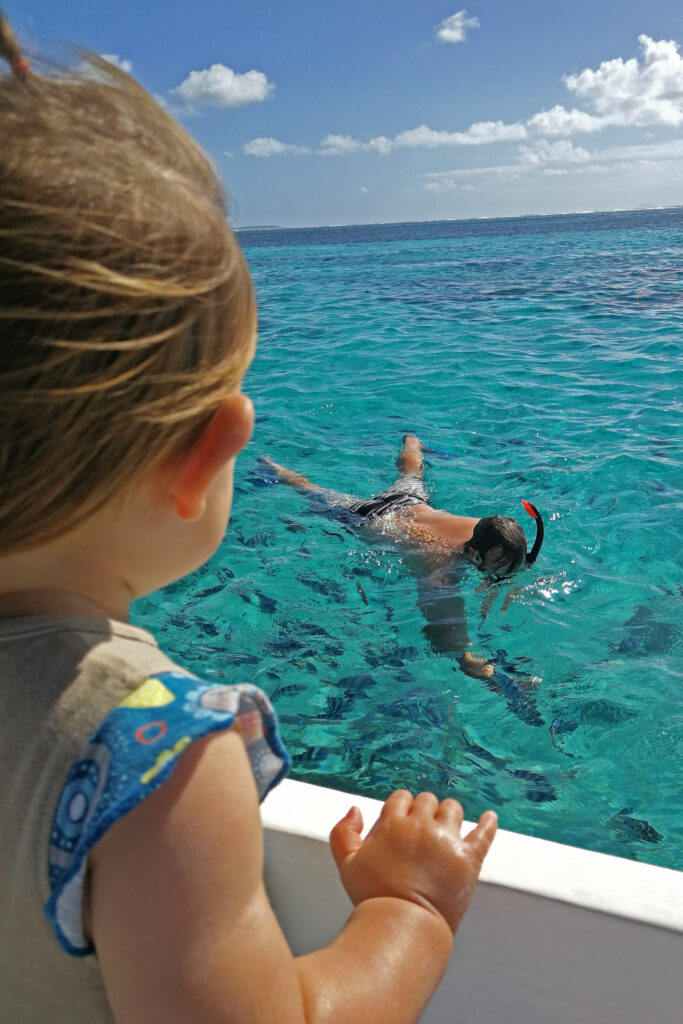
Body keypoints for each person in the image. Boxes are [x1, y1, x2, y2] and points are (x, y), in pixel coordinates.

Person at [0, 19, 498, 1024]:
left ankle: (285, 468)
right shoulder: (154, 750)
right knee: (340, 496)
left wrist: (405, 462)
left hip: (378, 511)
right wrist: (412, 906)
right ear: (199, 459)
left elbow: (404, 488)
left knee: (334, 492)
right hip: (379, 521)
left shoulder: (427, 520)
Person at [262, 435, 544, 693]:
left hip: (412, 500)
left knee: (411, 472)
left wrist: (505, 578)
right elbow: (454, 649)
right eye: (497, 570)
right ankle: (267, 466)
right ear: (473, 556)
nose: (503, 576)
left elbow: (511, 560)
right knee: (311, 491)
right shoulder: (440, 572)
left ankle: (412, 442)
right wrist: (504, 683)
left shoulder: (486, 530)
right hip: (370, 519)